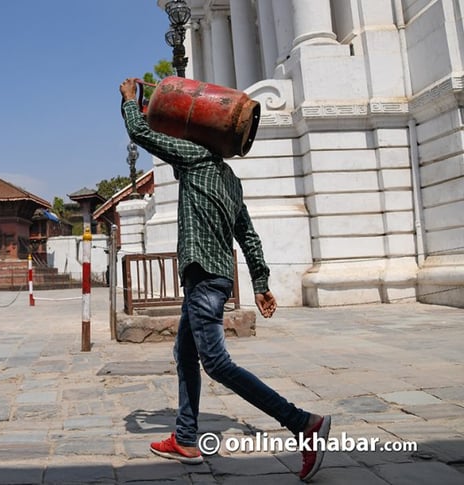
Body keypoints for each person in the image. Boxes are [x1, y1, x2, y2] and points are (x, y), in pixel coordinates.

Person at [119, 77, 330, 482]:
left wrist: (131, 101)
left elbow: (141, 133)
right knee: (185, 355)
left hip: (201, 277)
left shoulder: (194, 157)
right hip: (215, 277)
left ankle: (303, 424)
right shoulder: (232, 181)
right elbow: (248, 235)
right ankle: (184, 437)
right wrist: (262, 283)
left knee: (216, 363)